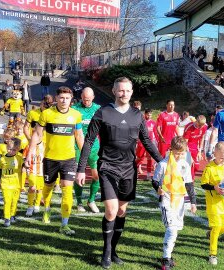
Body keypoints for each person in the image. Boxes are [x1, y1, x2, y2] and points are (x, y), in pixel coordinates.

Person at [75, 77, 162, 269]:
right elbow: (88, 141)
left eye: (128, 91)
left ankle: (114, 250)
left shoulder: (137, 115)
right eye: (121, 90)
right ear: (114, 91)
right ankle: (106, 253)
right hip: (107, 167)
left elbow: (146, 141)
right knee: (111, 210)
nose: (124, 94)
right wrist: (82, 169)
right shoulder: (103, 112)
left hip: (128, 169)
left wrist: (161, 161)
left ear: (132, 92)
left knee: (122, 211)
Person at [25, 86, 84, 235]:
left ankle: (64, 224)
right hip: (50, 158)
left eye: (67, 98)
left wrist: (84, 155)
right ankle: (47, 208)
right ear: (56, 98)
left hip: (69, 158)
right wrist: (30, 154)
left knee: (67, 189)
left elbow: (79, 136)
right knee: (48, 187)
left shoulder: (76, 115)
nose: (64, 100)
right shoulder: (46, 114)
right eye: (61, 97)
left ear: (71, 100)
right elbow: (37, 135)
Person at [152, 136, 197, 270]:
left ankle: (168, 255)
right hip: (166, 200)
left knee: (175, 230)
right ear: (171, 150)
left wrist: (193, 202)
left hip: (180, 201)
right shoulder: (163, 164)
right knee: (171, 229)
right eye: (177, 153)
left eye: (182, 153)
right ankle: (165, 259)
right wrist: (158, 189)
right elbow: (155, 181)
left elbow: (189, 184)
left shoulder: (185, 164)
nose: (179, 156)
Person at [201, 142, 224, 265]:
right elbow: (204, 184)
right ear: (214, 153)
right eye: (221, 158)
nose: (223, 160)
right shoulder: (209, 168)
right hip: (213, 204)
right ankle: (213, 254)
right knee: (217, 226)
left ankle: (210, 234)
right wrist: (214, 187)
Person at [71, 87, 101, 213]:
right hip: (77, 147)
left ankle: (91, 200)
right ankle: (79, 202)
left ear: (93, 98)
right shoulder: (74, 109)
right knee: (79, 176)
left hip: (94, 147)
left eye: (88, 100)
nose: (86, 102)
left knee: (97, 175)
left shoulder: (99, 109)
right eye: (84, 99)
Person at [0, 138, 23, 227]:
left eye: (14, 149)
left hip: (16, 184)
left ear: (18, 149)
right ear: (6, 147)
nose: (11, 151)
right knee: (7, 201)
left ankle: (12, 215)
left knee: (14, 201)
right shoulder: (2, 159)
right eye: (9, 149)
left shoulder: (19, 158)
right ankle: (7, 218)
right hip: (5, 184)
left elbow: (25, 166)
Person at [23, 138, 45, 217]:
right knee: (32, 188)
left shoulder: (45, 146)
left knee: (39, 189)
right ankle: (30, 206)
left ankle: (37, 205)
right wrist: (24, 166)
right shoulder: (29, 146)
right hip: (32, 171)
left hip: (42, 172)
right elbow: (24, 158)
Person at [135, 108, 158, 179]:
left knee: (149, 158)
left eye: (150, 115)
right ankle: (134, 171)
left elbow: (155, 133)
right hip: (141, 143)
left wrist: (157, 141)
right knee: (139, 158)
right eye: (148, 115)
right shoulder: (141, 122)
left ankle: (148, 175)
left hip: (149, 143)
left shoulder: (153, 123)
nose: (149, 116)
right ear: (145, 114)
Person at [183, 115, 207, 180]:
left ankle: (190, 181)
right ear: (196, 121)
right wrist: (189, 156)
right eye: (199, 125)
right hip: (187, 148)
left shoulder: (204, 127)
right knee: (189, 166)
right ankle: (189, 182)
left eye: (202, 126)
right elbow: (185, 143)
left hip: (195, 148)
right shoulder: (189, 127)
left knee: (196, 166)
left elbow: (202, 138)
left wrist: (200, 151)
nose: (200, 127)